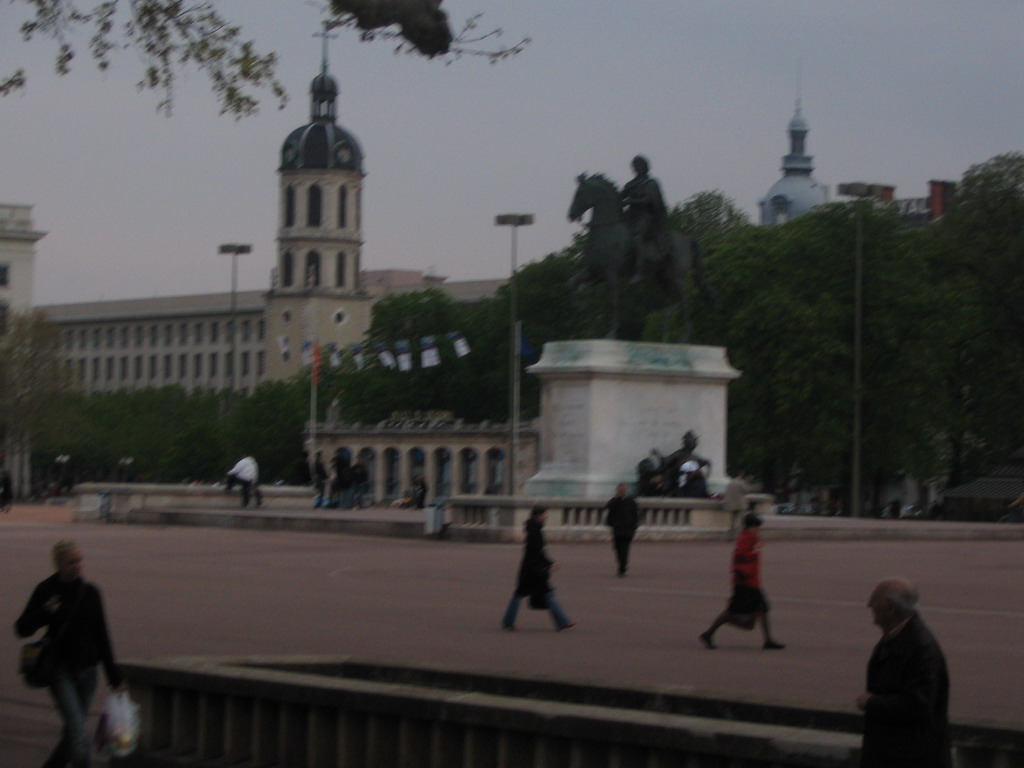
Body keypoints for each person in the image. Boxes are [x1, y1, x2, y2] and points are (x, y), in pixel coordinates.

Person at [15, 539, 125, 768]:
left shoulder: (91, 593)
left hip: (88, 673)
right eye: (71, 562)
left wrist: (114, 678)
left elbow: (102, 635)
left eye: (79, 560)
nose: (77, 565)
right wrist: (46, 611)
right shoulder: (47, 590)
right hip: (60, 671)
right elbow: (22, 628)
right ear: (59, 564)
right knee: (79, 735)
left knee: (74, 732)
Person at [856, 578, 951, 768]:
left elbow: (918, 704)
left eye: (874, 599)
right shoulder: (899, 638)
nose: (869, 605)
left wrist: (871, 702)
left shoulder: (920, 648)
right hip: (895, 753)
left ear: (889, 608)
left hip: (909, 758)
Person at [699, 512, 785, 650]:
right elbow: (741, 558)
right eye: (756, 527)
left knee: (763, 609)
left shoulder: (751, 538)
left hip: (751, 582)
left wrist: (756, 547)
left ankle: (768, 640)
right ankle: (709, 633)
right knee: (733, 611)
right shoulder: (745, 539)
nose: (758, 530)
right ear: (750, 527)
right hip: (745, 583)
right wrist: (755, 550)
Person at [501, 507, 576, 632]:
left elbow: (536, 551)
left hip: (530, 569)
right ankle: (562, 621)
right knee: (545, 594)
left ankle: (508, 622)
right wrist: (549, 563)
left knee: (523, 595)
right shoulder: (536, 530)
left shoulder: (533, 528)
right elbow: (537, 551)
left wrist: (548, 562)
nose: (546, 517)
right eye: (544, 515)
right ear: (538, 516)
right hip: (534, 570)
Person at [621, 154, 670, 276]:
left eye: (639, 165)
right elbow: (619, 198)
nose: (637, 168)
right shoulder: (630, 184)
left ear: (645, 167)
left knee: (637, 236)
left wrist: (630, 201)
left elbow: (648, 200)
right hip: (631, 215)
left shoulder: (651, 183)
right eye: (635, 166)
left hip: (646, 216)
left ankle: (639, 268)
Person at [605, 483, 640, 576]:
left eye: (624, 489)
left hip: (628, 529)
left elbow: (635, 514)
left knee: (624, 549)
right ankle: (621, 566)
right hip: (617, 529)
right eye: (621, 489)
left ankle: (622, 568)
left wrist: (634, 526)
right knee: (618, 549)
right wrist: (616, 498)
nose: (622, 491)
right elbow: (608, 507)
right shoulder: (615, 501)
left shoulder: (631, 501)